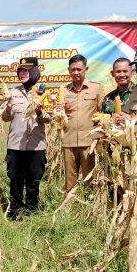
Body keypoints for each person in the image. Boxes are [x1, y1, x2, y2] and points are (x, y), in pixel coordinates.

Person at [2, 57, 52, 219]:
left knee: (33, 180)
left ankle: (31, 210)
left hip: (36, 146)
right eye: (20, 71)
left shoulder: (44, 93)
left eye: (26, 71)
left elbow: (50, 118)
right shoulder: (13, 93)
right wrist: (8, 109)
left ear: (34, 71)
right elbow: (5, 118)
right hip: (15, 145)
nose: (22, 73)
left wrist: (39, 112)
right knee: (15, 179)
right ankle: (15, 210)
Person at [57, 54, 104, 193]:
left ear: (86, 69)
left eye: (79, 69)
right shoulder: (64, 90)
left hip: (89, 142)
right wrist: (58, 111)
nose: (76, 72)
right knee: (70, 179)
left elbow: (103, 114)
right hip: (69, 141)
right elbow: (59, 119)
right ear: (69, 71)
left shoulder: (96, 88)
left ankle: (89, 207)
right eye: (73, 70)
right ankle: (69, 207)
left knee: (90, 178)